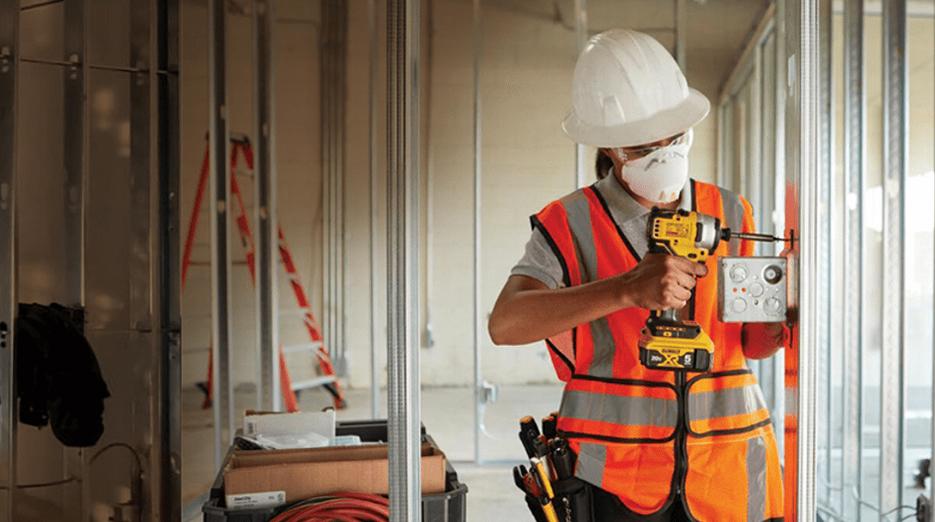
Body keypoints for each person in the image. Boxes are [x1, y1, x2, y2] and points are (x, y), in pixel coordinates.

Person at [489, 29, 787, 521]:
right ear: (609, 147)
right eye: (643, 146)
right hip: (615, 478)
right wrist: (625, 289)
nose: (664, 155)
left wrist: (780, 328)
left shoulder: (731, 211)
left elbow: (750, 342)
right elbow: (505, 324)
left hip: (728, 472)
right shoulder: (570, 222)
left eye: (675, 138)